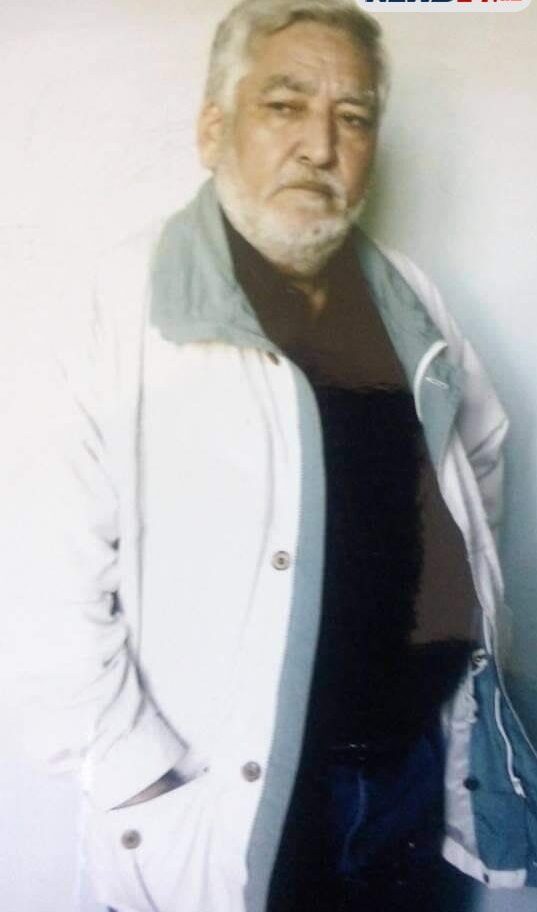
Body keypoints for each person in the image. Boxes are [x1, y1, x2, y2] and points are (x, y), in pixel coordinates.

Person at [5, 1, 537, 911]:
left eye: (352, 117)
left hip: (409, 784)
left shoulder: (408, 298)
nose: (320, 147)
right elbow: (34, 578)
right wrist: (141, 781)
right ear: (213, 128)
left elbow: (474, 468)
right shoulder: (117, 307)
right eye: (284, 106)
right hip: (230, 809)